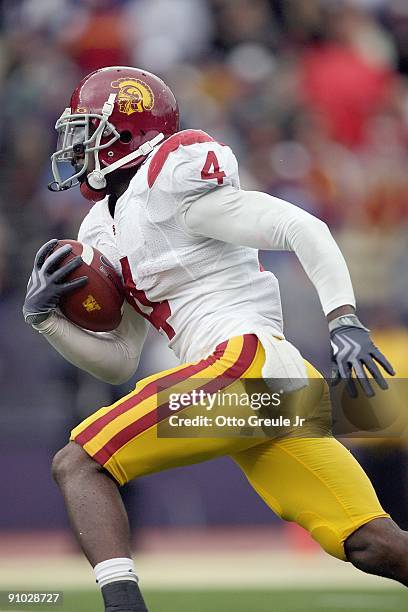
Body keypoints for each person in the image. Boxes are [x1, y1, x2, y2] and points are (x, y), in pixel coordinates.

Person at [23, 67, 407, 612]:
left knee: (80, 462)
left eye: (90, 130)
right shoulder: (97, 229)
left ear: (128, 131)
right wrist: (48, 321)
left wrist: (343, 319)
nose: (77, 146)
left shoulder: (170, 178)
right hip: (271, 388)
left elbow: (303, 228)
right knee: (372, 544)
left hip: (244, 365)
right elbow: (121, 361)